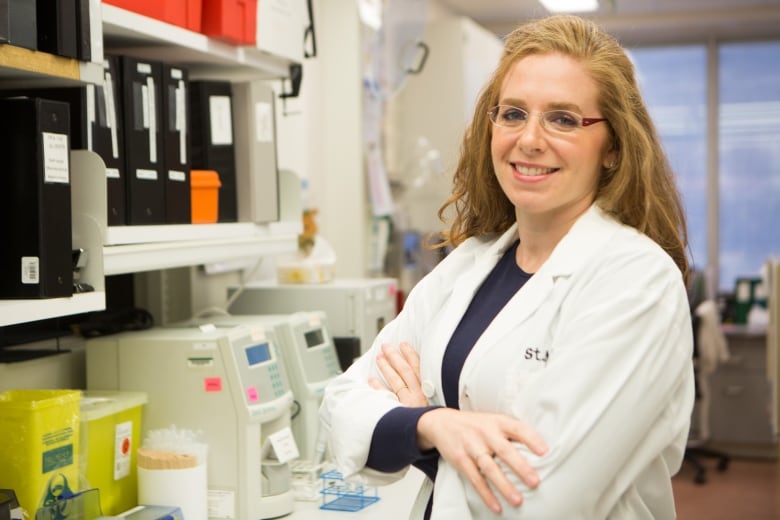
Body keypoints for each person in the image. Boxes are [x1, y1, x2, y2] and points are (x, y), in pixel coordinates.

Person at [320, 14, 695, 519]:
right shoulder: (470, 266)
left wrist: (411, 426)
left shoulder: (636, 282)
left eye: (563, 118)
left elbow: (542, 499)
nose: (529, 139)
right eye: (513, 113)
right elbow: (341, 403)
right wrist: (433, 426)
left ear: (613, 148)